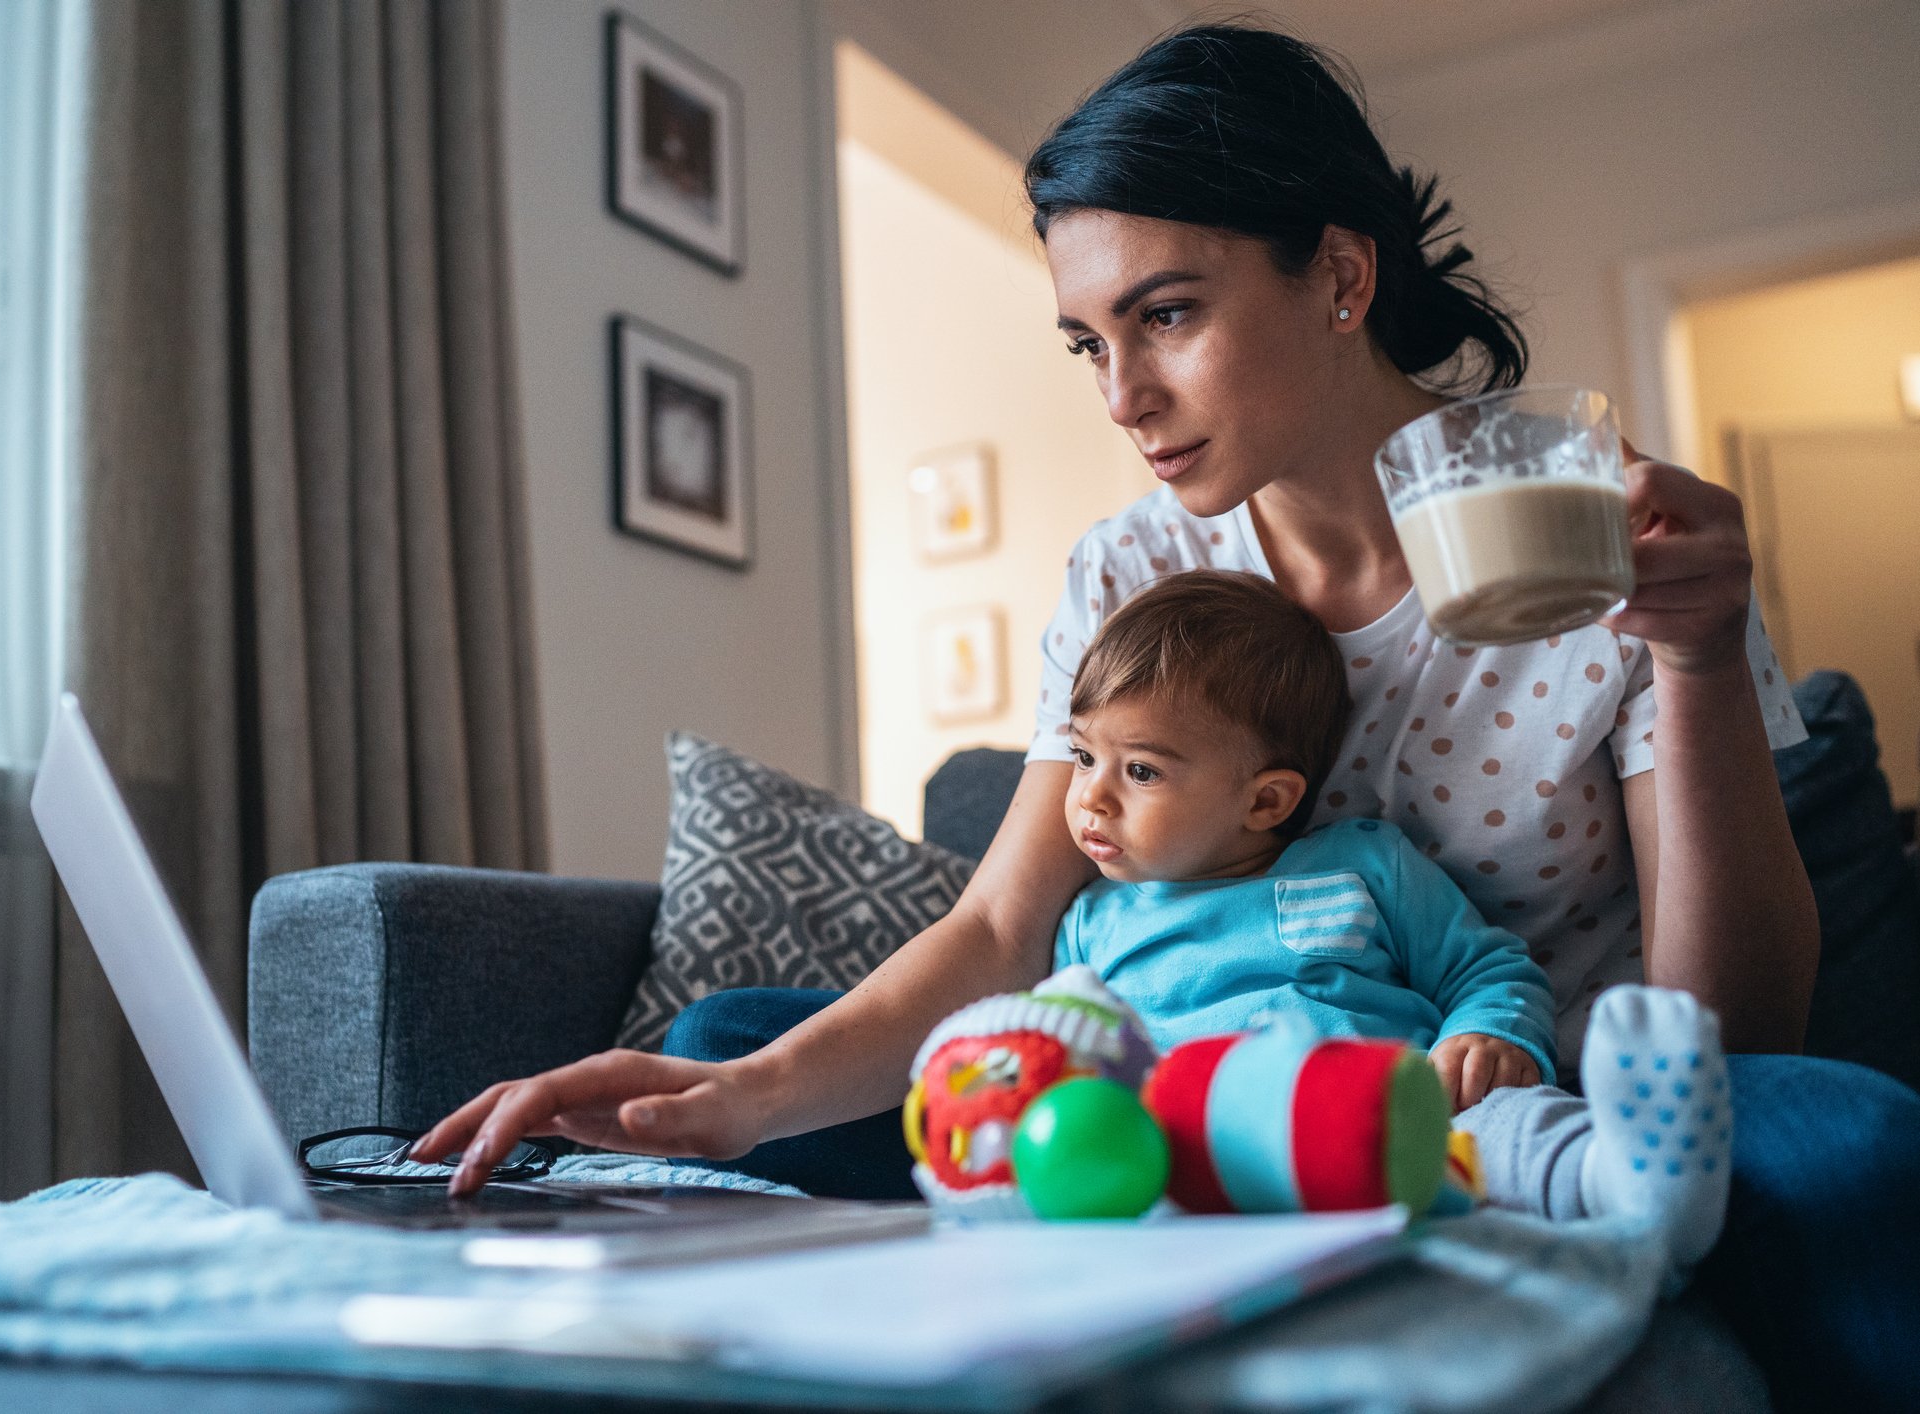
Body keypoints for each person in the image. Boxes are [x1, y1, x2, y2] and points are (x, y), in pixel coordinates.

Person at [414, 23, 1919, 1407]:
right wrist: (730, 1097)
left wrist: (1704, 657)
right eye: (1089, 340)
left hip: (1525, 1116)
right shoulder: (1135, 565)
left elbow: (1730, 1029)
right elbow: (1004, 933)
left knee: (1843, 1133)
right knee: (736, 1035)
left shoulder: (1597, 519)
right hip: (1181, 1092)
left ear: (1338, 278)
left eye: (1168, 314)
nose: (1121, 394)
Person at [1045, 568, 1728, 1280]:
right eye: (1084, 756)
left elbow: (1485, 968)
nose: (1091, 796)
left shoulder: (1361, 865)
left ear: (1266, 801)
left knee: (1503, 1130)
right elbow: (1072, 1055)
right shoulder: (1091, 926)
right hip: (1214, 1156)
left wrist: (1488, 1033)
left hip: (1403, 1122)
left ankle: (1629, 1186)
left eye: (1142, 773)